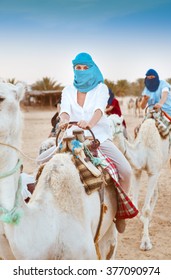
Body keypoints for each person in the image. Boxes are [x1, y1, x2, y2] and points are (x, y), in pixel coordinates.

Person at [58, 52, 133, 233]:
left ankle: (120, 214)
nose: (82, 71)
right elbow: (65, 110)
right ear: (74, 69)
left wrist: (89, 124)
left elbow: (99, 109)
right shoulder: (67, 91)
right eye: (78, 68)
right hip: (71, 136)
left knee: (126, 171)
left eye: (85, 68)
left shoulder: (101, 88)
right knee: (43, 164)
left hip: (97, 136)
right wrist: (63, 119)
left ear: (92, 69)